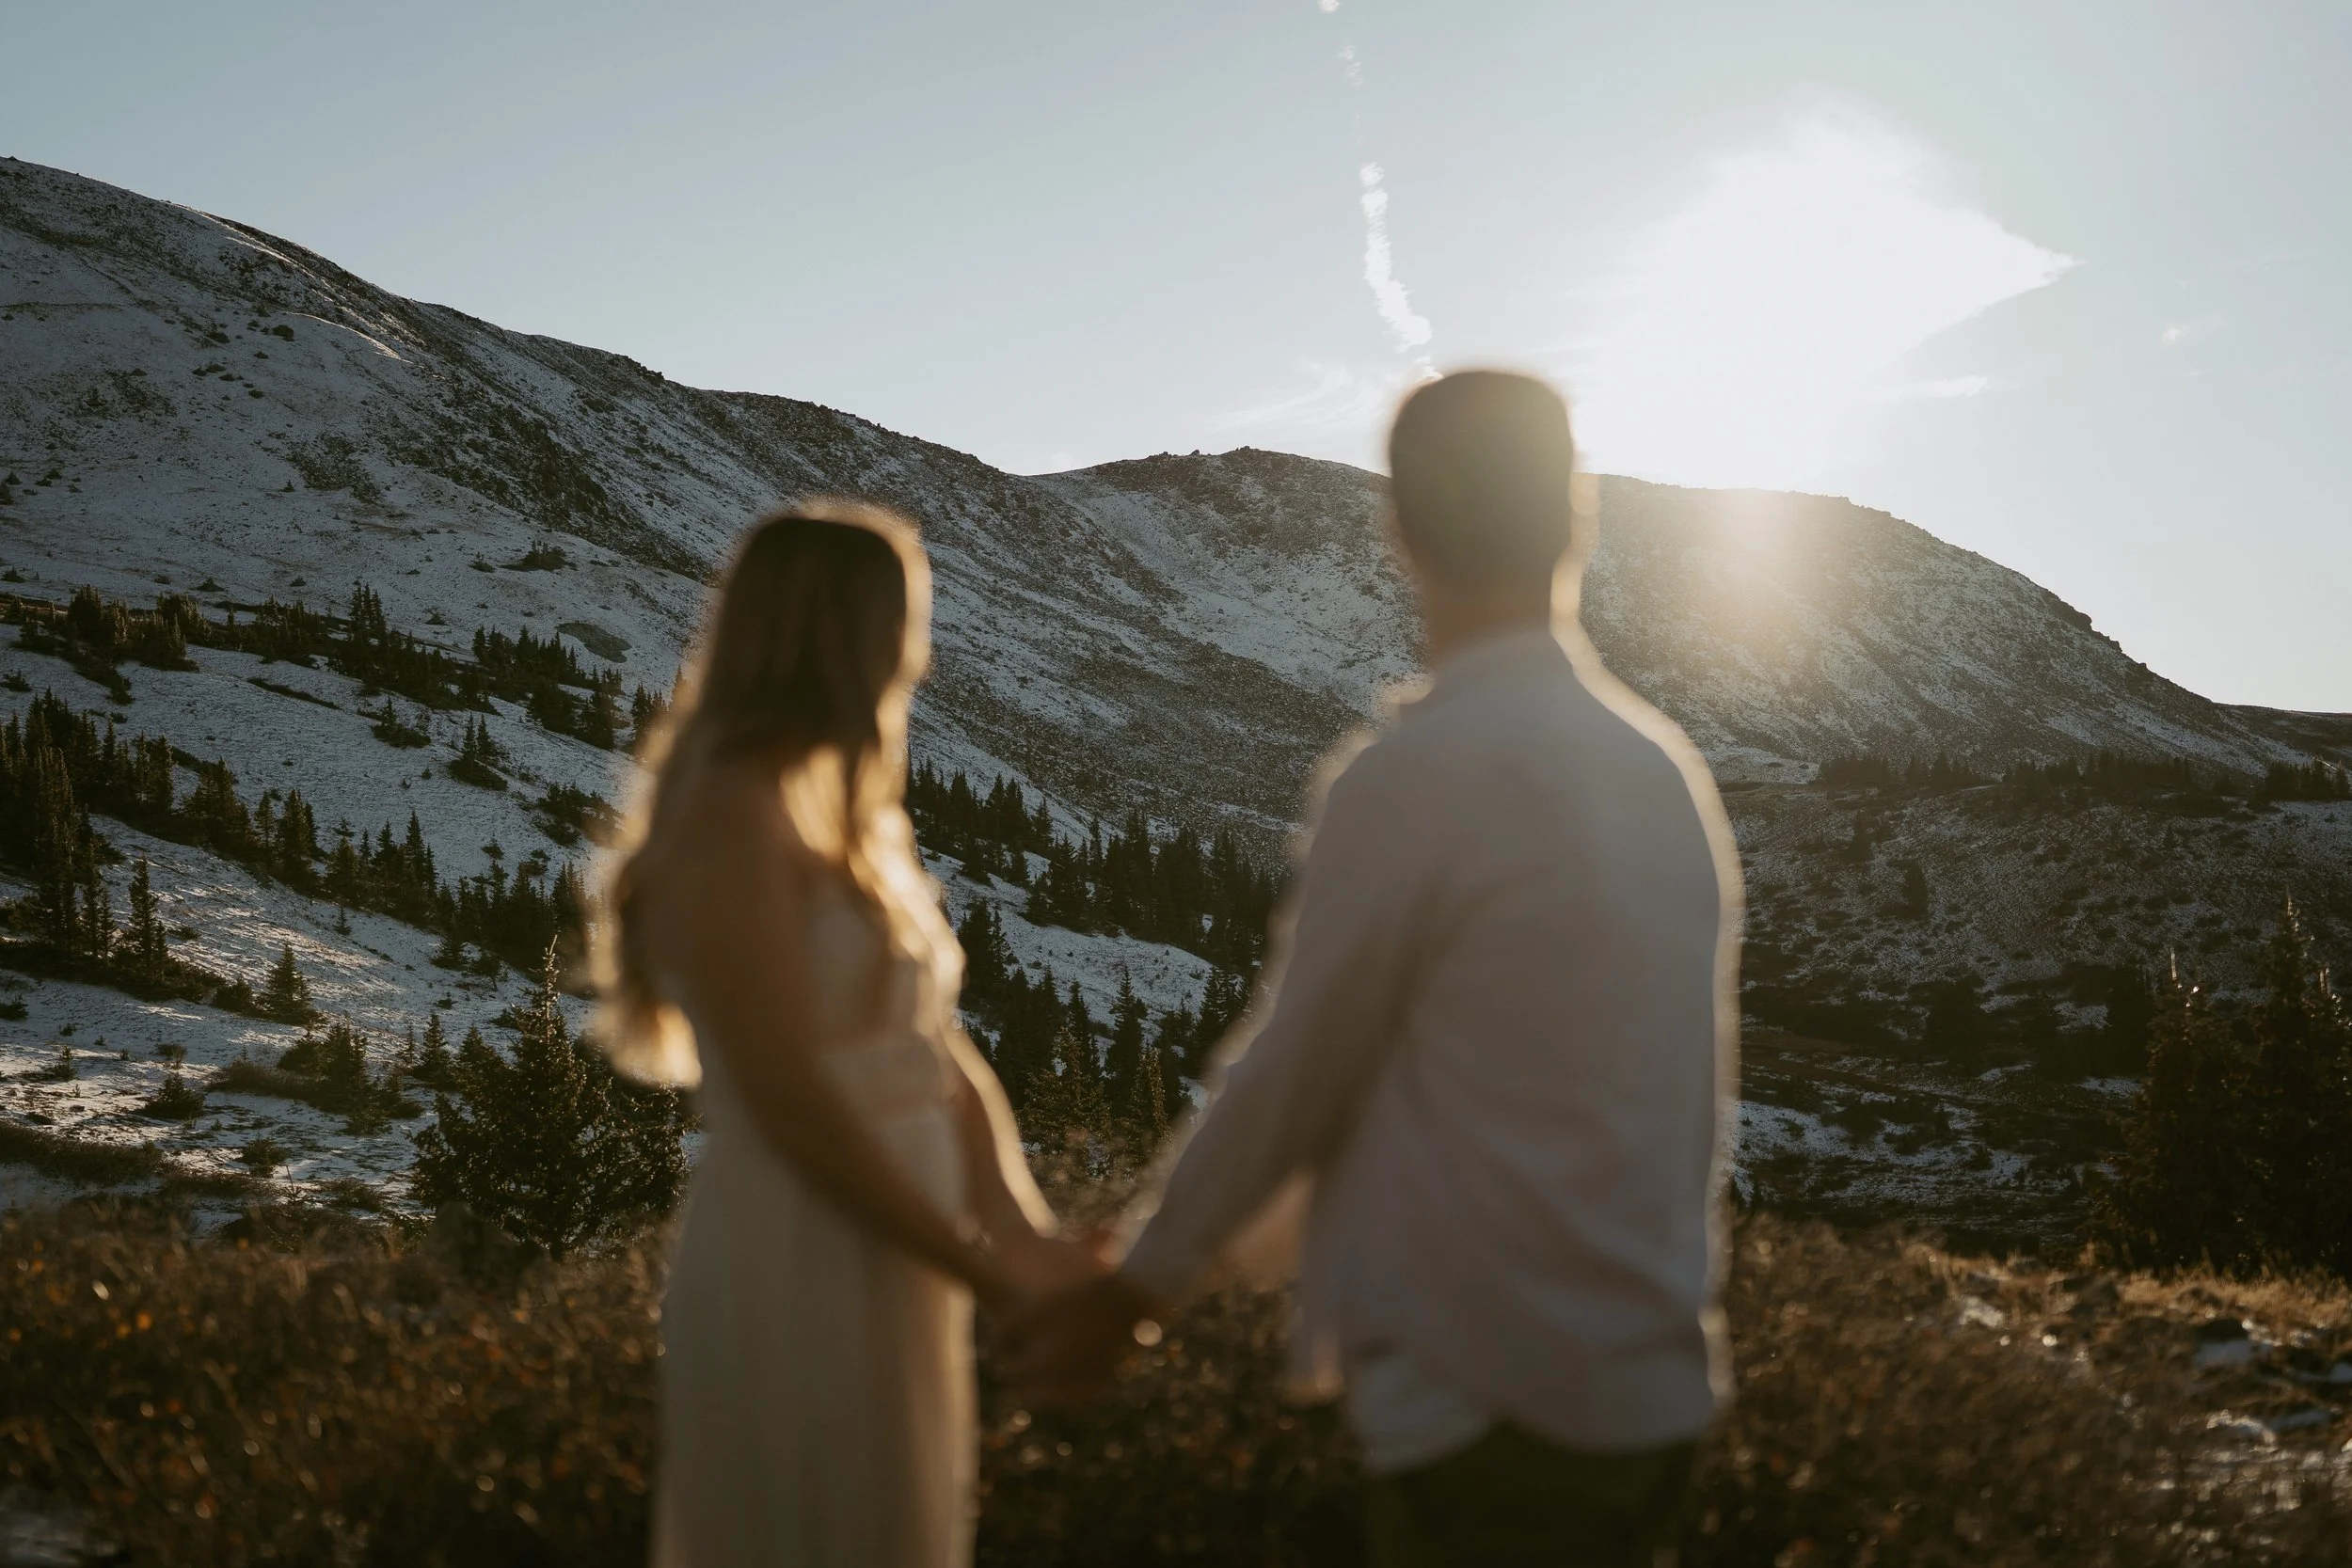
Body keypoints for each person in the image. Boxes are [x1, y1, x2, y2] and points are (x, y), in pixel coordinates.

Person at [1006, 371, 1742, 1567]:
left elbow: (1300, 1067)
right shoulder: (1660, 771)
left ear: (1398, 528)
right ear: (1576, 515)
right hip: (1646, 1389)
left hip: (1489, 1399)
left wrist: (1141, 1283)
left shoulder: (1422, 773)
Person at [596, 500, 1104, 1568]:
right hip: (797, 1246)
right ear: (837, 635)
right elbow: (788, 1101)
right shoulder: (728, 814)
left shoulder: (850, 819)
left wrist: (1022, 1236)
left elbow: (935, 1052)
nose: (915, 657)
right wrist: (982, 1271)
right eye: (901, 625)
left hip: (899, 1251)